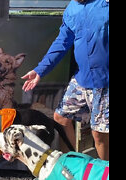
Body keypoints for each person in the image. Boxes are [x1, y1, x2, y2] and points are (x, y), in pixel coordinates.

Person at [21, 0, 109, 160]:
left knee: (99, 134)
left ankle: (105, 174)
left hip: (105, 83)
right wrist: (40, 70)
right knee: (61, 119)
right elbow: (62, 42)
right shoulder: (72, 9)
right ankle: (76, 167)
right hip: (82, 78)